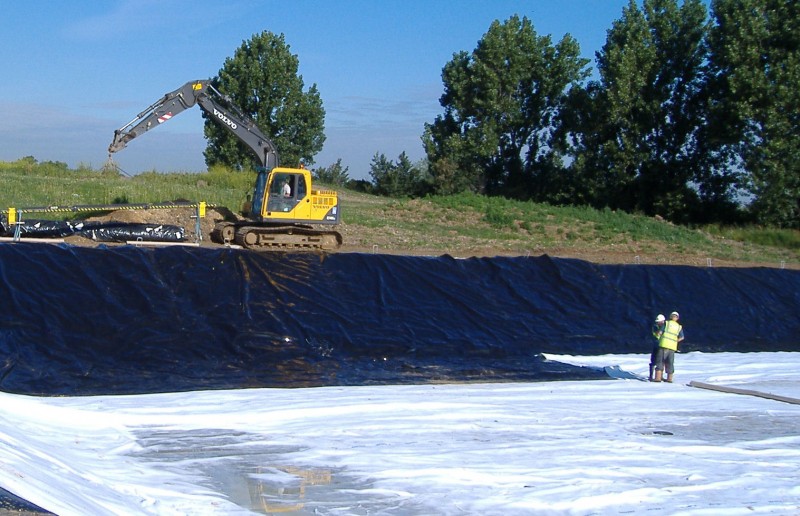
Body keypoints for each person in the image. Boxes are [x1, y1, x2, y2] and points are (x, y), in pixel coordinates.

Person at [654, 311, 684, 383]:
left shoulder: (666, 323)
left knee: (660, 361)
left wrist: (657, 335)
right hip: (672, 347)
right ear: (677, 318)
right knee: (670, 362)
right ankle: (669, 379)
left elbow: (660, 332)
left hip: (663, 344)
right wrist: (675, 341)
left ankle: (658, 378)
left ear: (670, 317)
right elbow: (682, 337)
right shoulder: (679, 327)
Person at [649, 314, 666, 381]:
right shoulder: (655, 327)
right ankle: (651, 376)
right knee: (654, 361)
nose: (659, 323)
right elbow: (657, 334)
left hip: (662, 346)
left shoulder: (664, 327)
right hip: (657, 345)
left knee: (661, 361)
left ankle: (660, 376)